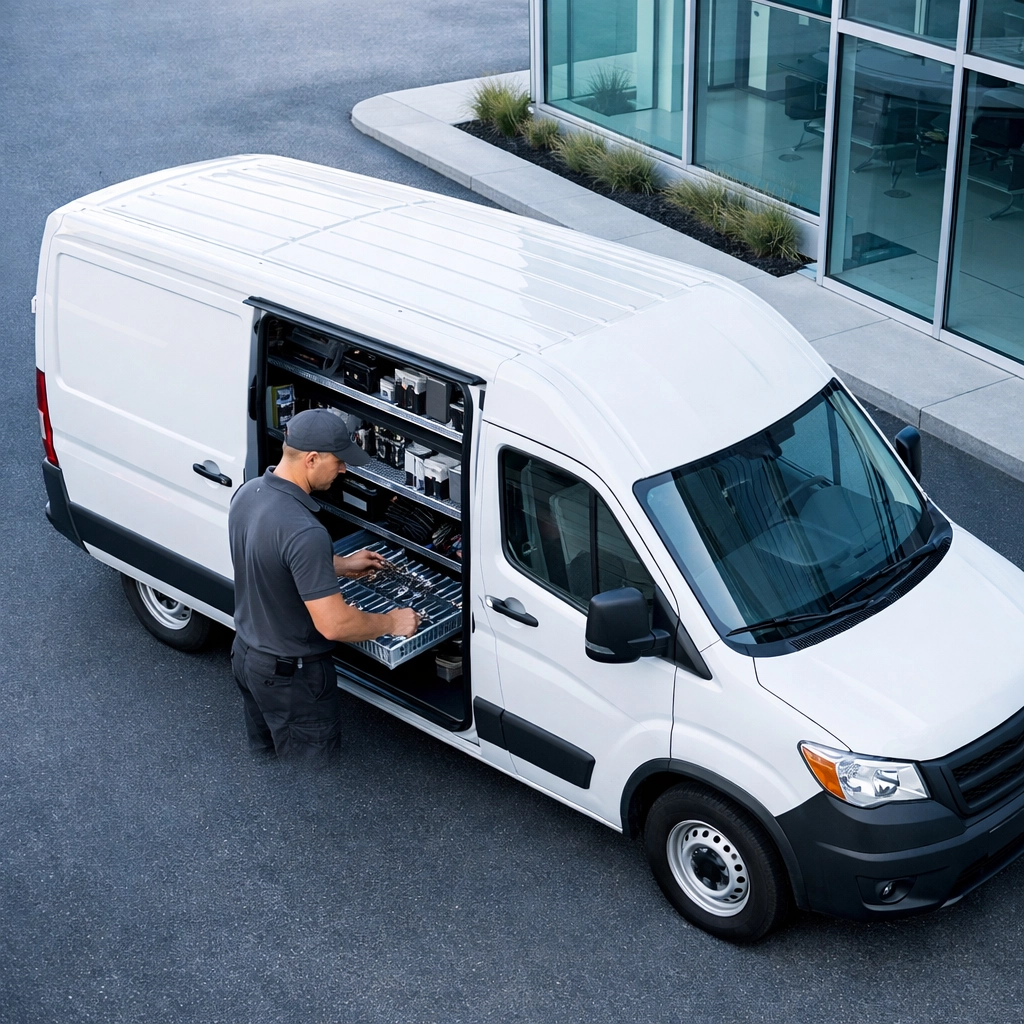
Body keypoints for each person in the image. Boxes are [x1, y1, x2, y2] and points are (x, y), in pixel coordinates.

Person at [228, 408, 420, 761]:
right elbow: (334, 624)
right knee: (309, 784)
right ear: (312, 459)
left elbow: (273, 557)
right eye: (340, 461)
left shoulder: (249, 493)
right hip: (292, 679)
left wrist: (342, 565)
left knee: (270, 761)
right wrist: (393, 622)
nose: (344, 469)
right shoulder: (306, 531)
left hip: (247, 658)